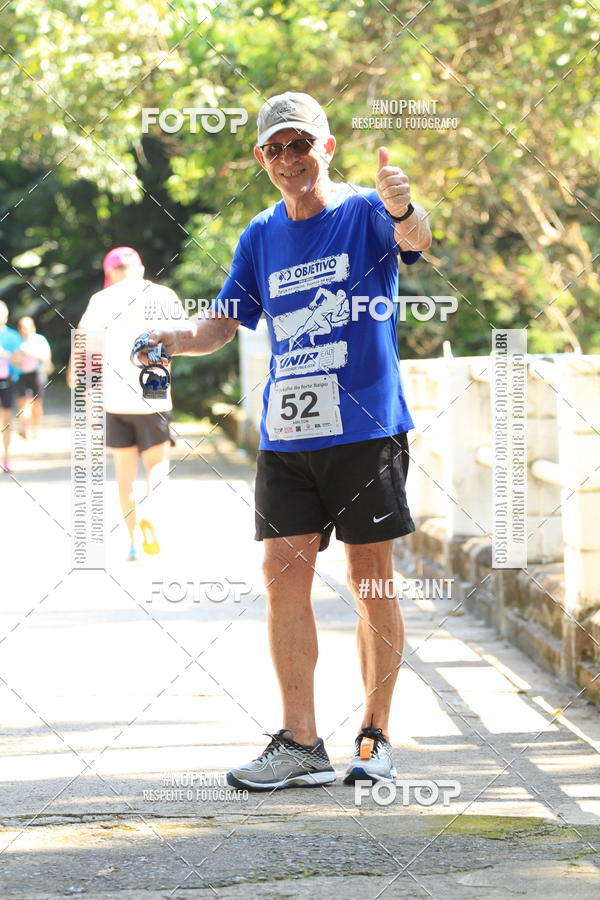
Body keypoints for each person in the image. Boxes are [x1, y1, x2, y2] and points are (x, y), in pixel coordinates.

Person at [142, 92, 432, 789]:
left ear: (325, 147)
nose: (288, 159)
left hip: (366, 430)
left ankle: (373, 740)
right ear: (261, 160)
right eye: (274, 149)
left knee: (371, 583)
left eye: (299, 144)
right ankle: (301, 743)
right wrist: (165, 338)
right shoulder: (260, 234)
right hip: (290, 436)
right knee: (282, 582)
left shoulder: (365, 211)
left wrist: (402, 206)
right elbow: (220, 326)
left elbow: (416, 239)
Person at [67, 247, 185, 561]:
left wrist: (79, 381)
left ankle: (133, 541)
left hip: (114, 398)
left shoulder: (101, 300)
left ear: (111, 272)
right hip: (154, 392)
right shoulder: (163, 295)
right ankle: (151, 514)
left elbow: (84, 344)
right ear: (141, 268)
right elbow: (181, 340)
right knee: (158, 467)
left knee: (124, 476)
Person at [13, 316, 52, 439]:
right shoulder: (16, 341)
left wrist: (29, 352)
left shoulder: (40, 340)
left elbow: (46, 357)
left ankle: (36, 428)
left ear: (33, 327)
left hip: (38, 375)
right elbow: (12, 359)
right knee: (24, 403)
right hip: (21, 375)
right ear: (19, 329)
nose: (26, 330)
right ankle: (25, 428)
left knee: (37, 404)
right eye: (23, 328)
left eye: (28, 327)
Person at [0, 300, 23, 474]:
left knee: (6, 422)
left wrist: (4, 354)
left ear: (6, 316)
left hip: (7, 383)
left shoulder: (13, 336)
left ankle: (6, 459)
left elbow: (20, 361)